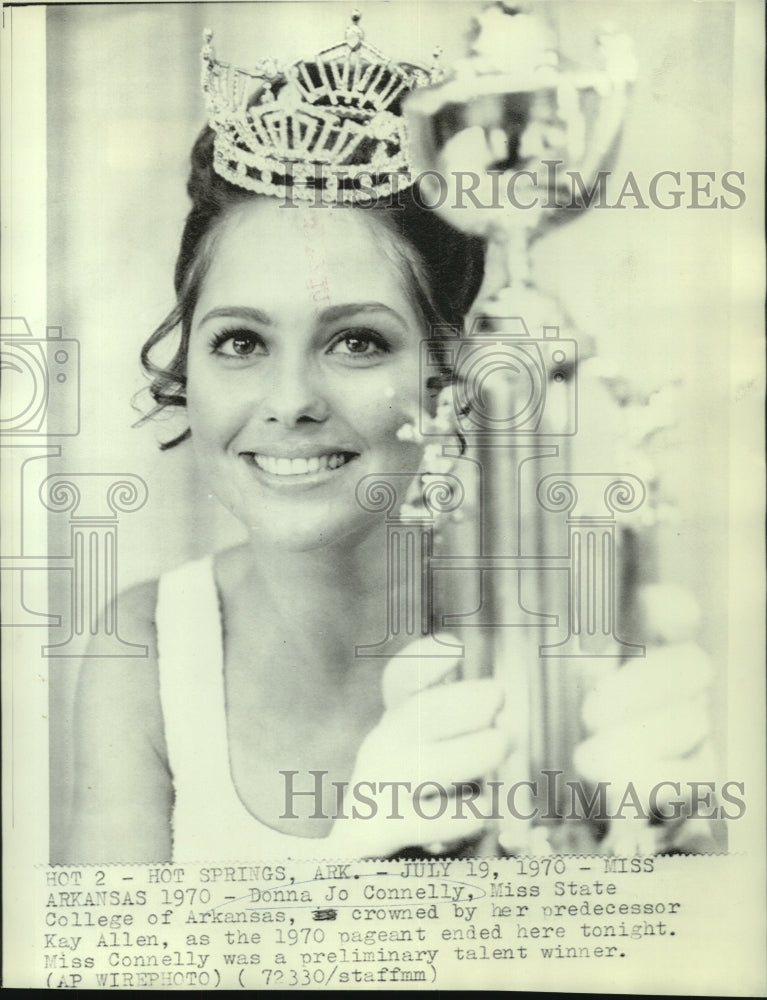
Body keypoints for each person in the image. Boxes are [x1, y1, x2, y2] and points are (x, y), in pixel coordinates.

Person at [63, 15, 718, 864]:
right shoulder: (147, 645)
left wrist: (679, 874)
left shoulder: (574, 634)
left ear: (454, 373)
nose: (290, 401)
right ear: (187, 366)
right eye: (240, 342)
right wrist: (354, 888)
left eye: (356, 341)